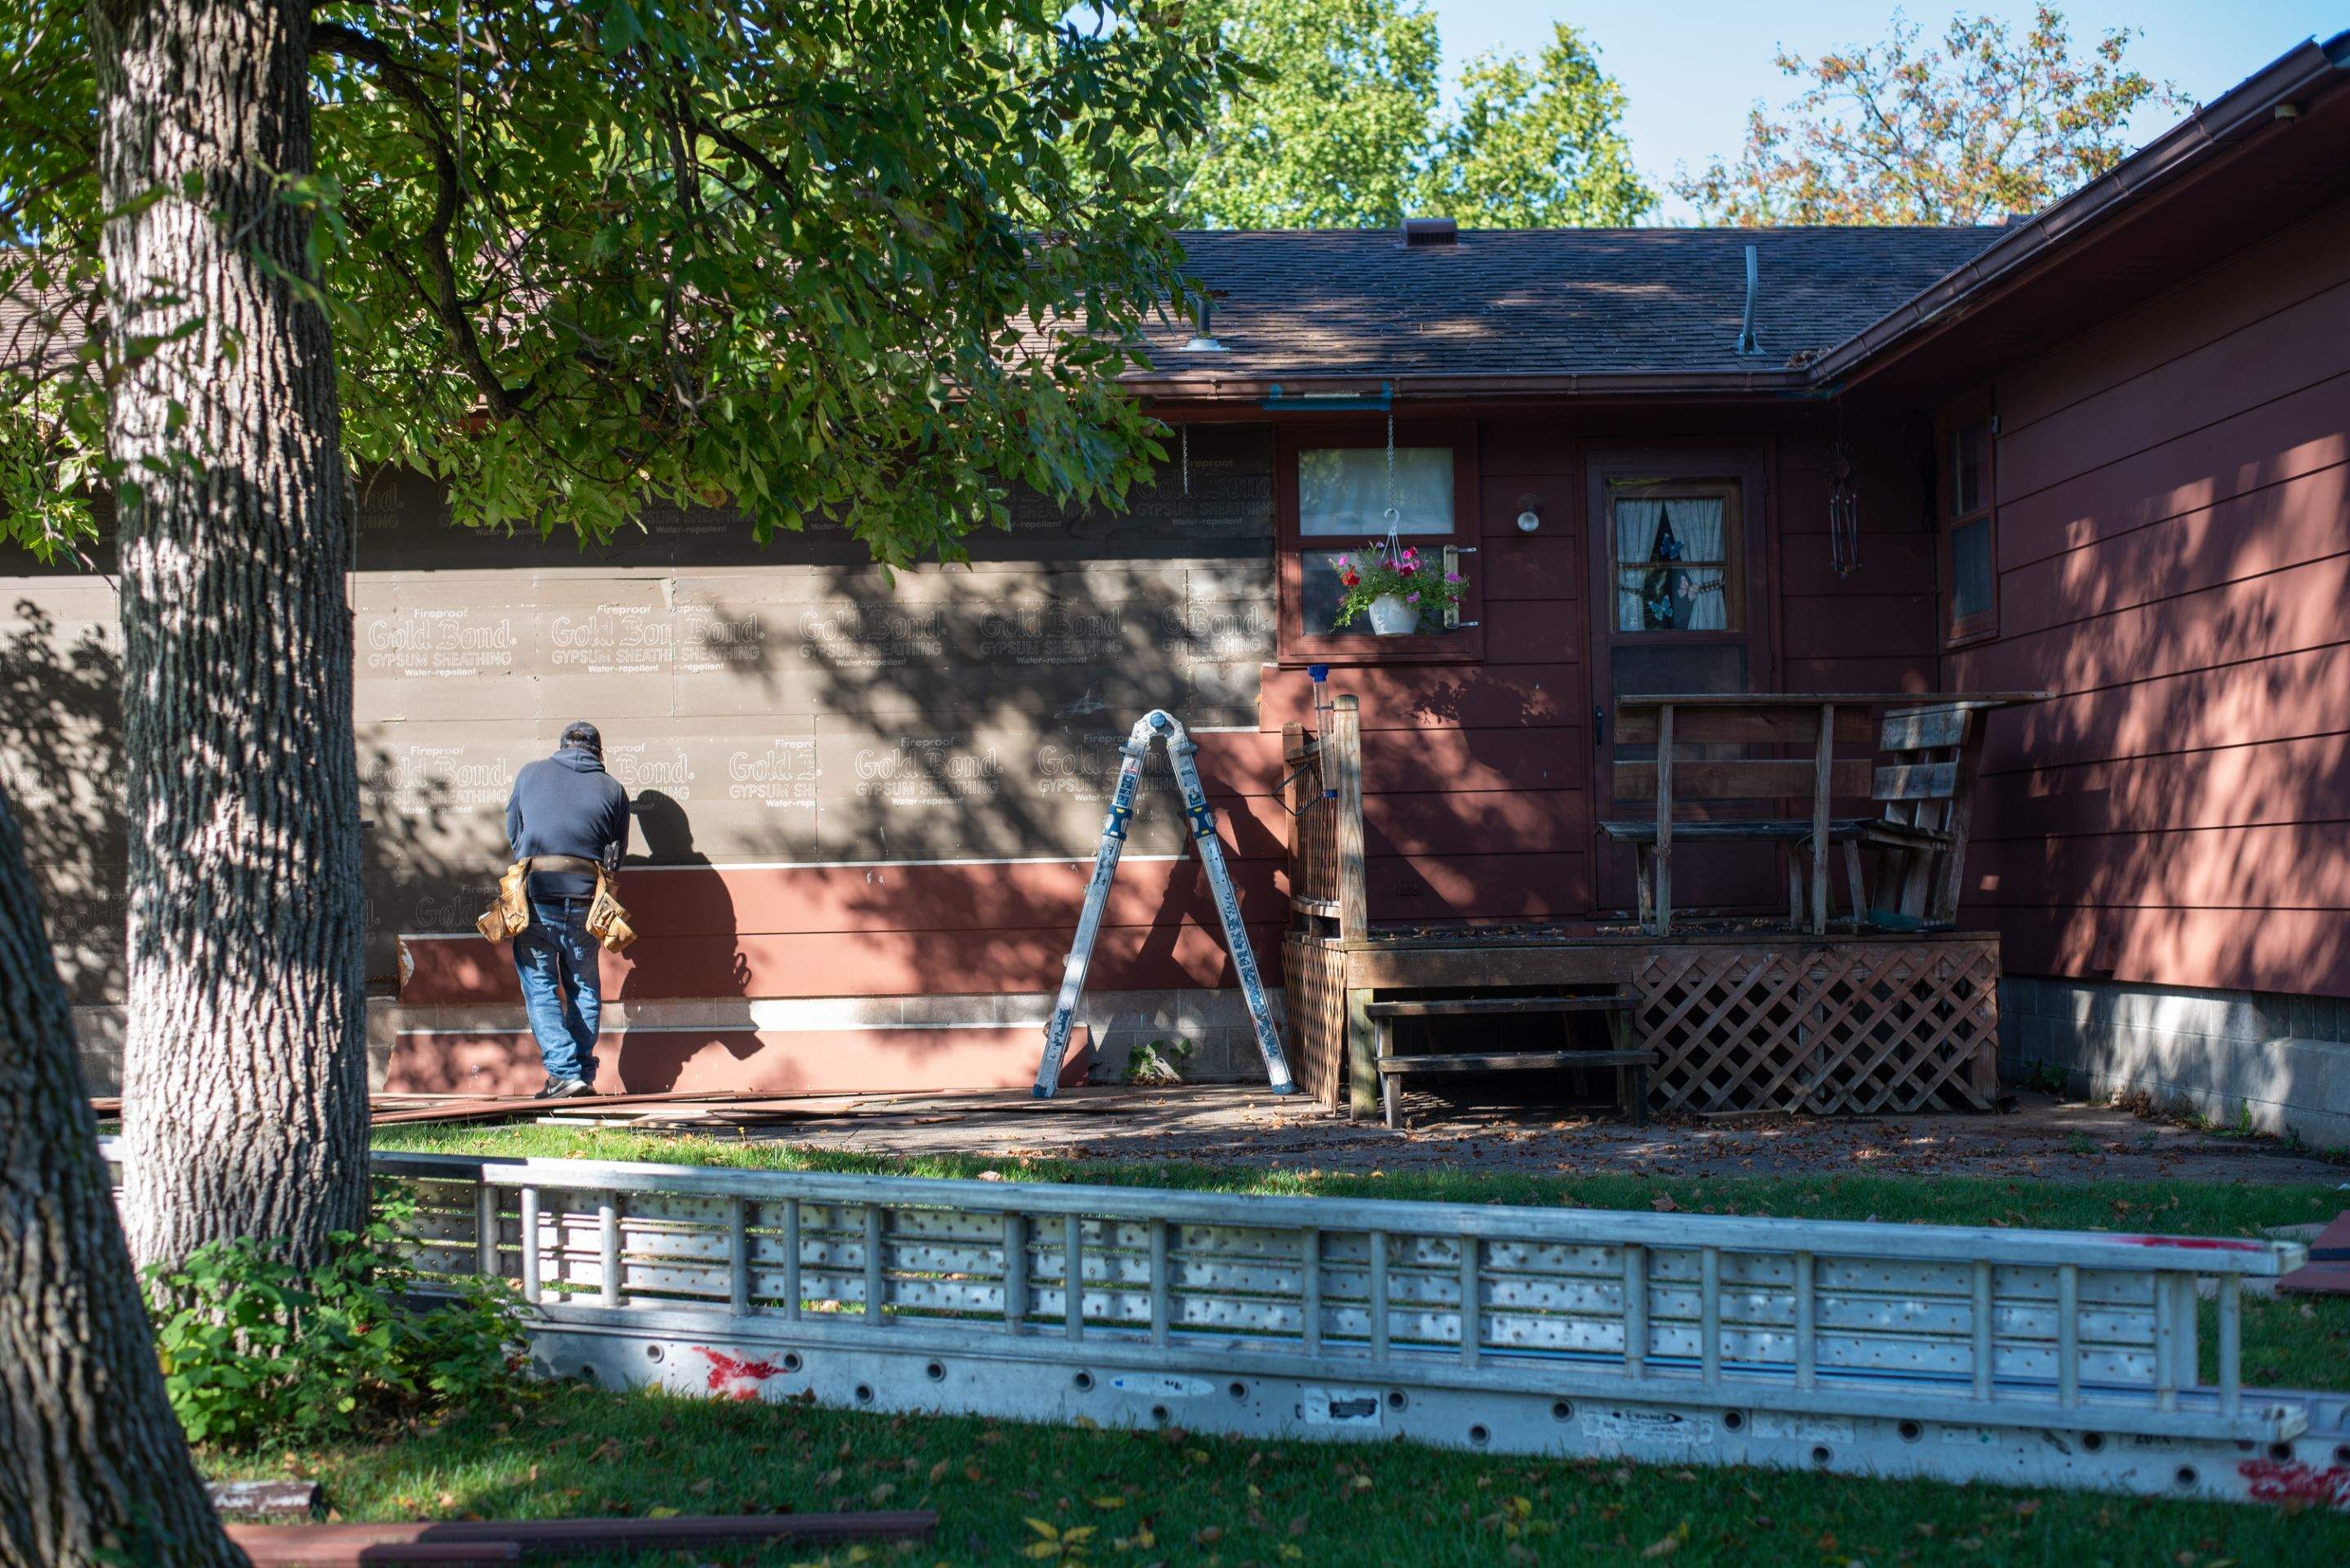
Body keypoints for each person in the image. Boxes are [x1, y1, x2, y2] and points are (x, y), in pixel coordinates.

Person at [504, 721, 632, 1097]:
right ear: (598, 752)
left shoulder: (530, 774)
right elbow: (616, 857)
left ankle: (563, 1072)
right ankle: (579, 1074)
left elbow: (515, 833)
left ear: (561, 747)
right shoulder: (613, 790)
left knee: (540, 985)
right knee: (583, 986)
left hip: (538, 898)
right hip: (586, 903)